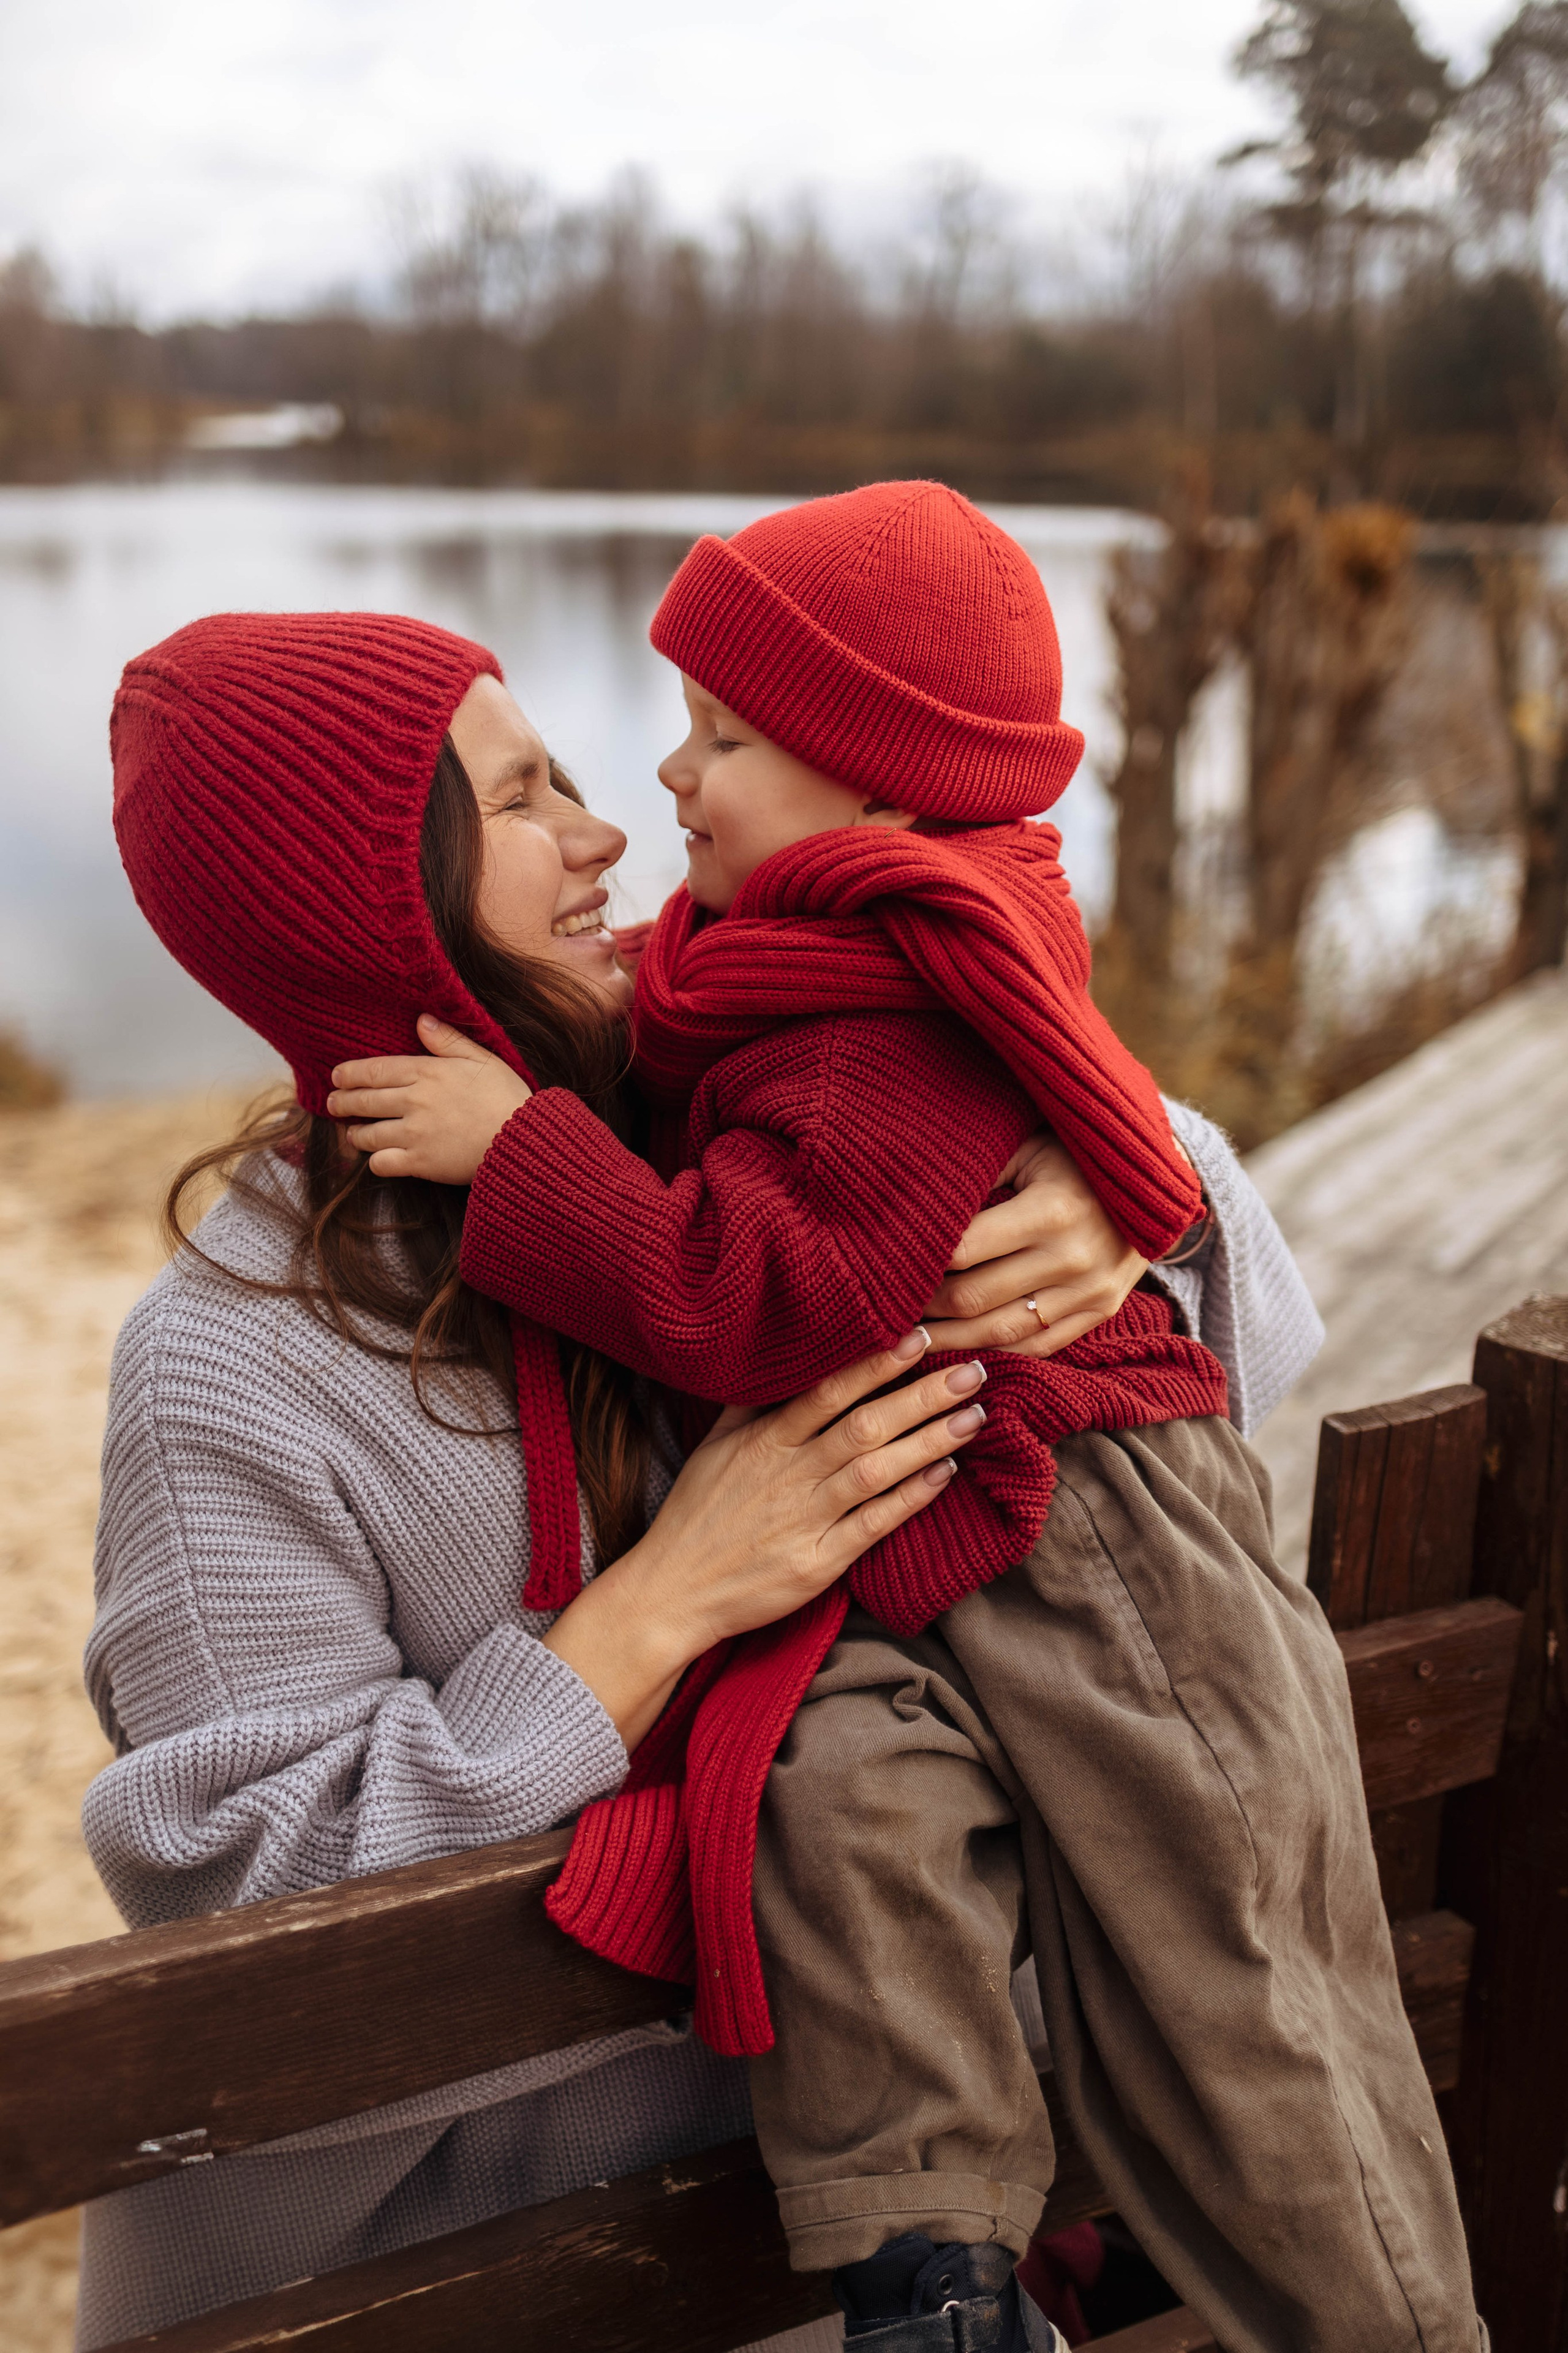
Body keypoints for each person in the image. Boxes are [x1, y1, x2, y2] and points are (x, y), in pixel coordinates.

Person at [329, 486, 1484, 2353]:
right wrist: (1121, 1157)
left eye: (721, 737)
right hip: (938, 1545)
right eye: (656, 736)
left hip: (1086, 1535)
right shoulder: (816, 940)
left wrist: (528, 1151)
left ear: (874, 788)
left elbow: (754, 1290)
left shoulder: (892, 972)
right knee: (841, 1787)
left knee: (1244, 1985)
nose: (657, 784)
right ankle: (938, 2276)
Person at [80, 605, 1294, 2351]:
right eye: (521, 801)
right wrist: (651, 1612)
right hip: (423, 2273)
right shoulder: (230, 1362)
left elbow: (1253, 1309)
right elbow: (247, 1923)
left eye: (573, 776)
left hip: (813, 2219)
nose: (607, 833)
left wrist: (1109, 1184)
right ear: (374, 893)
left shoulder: (712, 1106)